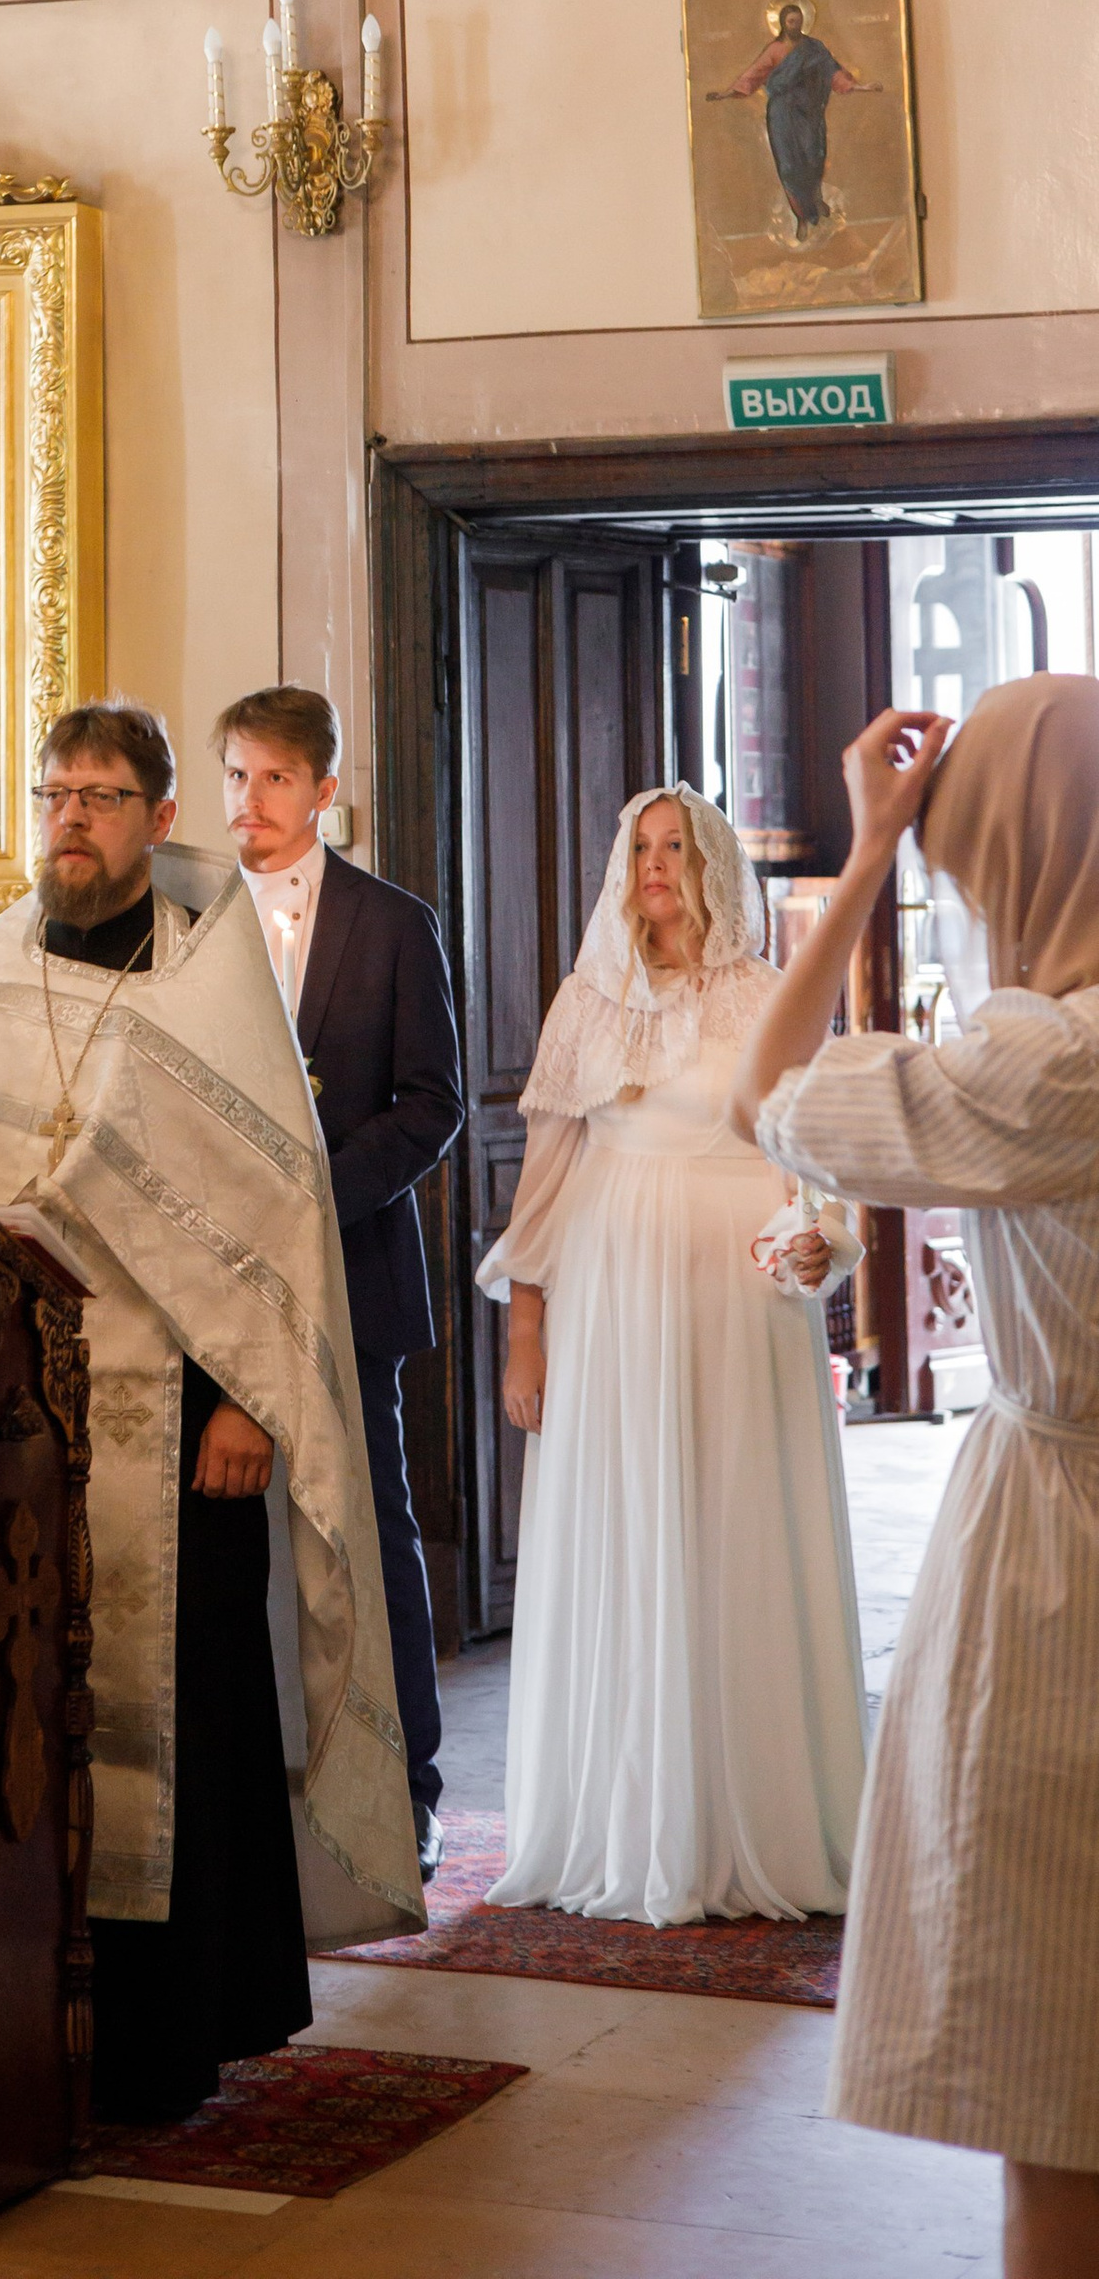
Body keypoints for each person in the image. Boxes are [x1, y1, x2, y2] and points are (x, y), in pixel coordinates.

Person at [0, 694, 423, 2127]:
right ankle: (8, 2007)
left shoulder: (219, 1001)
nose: (71, 818)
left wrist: (245, 1406)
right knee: (9, 1726)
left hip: (176, 1425)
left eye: (100, 795)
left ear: (160, 819)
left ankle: (165, 2035)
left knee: (178, 1725)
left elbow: (268, 1231)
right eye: (52, 794)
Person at [734, 687, 1099, 2278]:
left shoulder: (1043, 1067)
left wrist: (868, 849)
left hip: (1065, 1555)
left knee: (1058, 2060)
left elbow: (766, 1084)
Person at [480, 782, 866, 1925]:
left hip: (736, 1305)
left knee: (730, 1528)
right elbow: (540, 1186)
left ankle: (760, 1813)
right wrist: (525, 1334)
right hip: (608, 1302)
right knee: (627, 1531)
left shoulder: (770, 998)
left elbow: (815, 1159)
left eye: (674, 845)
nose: (654, 863)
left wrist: (822, 1242)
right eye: (637, 846)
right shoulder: (584, 1004)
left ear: (711, 863)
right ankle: (618, 1817)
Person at [219, 685, 463, 1877]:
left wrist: (318, 1186)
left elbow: (435, 1104)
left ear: (322, 790)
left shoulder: (390, 923)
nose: (247, 803)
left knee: (371, 1531)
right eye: (232, 776)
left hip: (354, 1273)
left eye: (270, 778)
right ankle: (255, 1788)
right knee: (229, 1545)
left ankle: (402, 1787)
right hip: (216, 1278)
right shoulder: (190, 923)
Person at [712, 0, 877, 241]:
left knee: (813, 158)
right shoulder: (775, 50)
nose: (795, 26)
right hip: (782, 116)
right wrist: (727, 93)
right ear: (782, 23)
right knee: (789, 167)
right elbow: (753, 76)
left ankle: (815, 200)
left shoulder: (815, 48)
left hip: (809, 115)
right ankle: (801, 217)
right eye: (790, 21)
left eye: (798, 22)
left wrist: (861, 88)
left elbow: (834, 72)